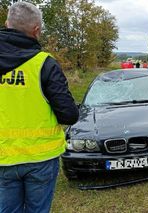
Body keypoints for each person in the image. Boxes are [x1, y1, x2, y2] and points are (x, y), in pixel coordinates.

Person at [0, 2, 79, 213]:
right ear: (36, 30)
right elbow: (69, 115)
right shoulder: (45, 64)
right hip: (41, 159)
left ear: (7, 24)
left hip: (2, 158)